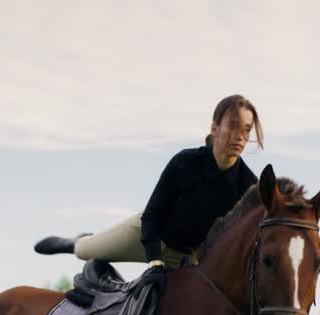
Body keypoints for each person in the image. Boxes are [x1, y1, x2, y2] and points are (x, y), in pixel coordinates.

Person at [34, 95, 264, 281]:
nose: (240, 137)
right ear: (215, 128)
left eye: (246, 130)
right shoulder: (184, 162)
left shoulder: (249, 187)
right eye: (233, 126)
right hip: (151, 235)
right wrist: (155, 261)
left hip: (191, 259)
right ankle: (76, 241)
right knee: (87, 251)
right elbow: (153, 214)